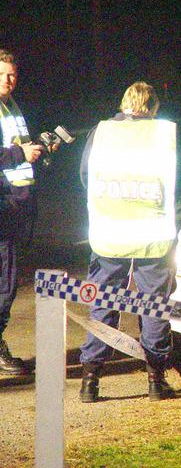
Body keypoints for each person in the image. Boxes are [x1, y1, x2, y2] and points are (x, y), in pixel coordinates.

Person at [78, 81, 178, 402]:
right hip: (152, 234)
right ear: (152, 107)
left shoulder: (102, 131)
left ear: (124, 105)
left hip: (110, 231)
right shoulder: (163, 134)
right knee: (152, 306)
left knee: (103, 302)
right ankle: (155, 380)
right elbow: (179, 179)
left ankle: (90, 382)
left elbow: (85, 175)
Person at [0, 49, 45, 375]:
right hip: (3, 206)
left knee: (7, 282)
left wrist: (37, 151)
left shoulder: (10, 106)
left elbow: (17, 151)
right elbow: (11, 153)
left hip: (16, 204)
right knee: (5, 283)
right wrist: (20, 153)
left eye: (12, 74)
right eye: (2, 74)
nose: (8, 80)